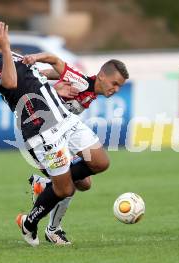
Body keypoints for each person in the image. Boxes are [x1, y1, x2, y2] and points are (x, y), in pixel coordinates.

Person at [0, 13, 111, 247]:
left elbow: (34, 76)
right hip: (41, 131)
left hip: (63, 118)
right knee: (66, 188)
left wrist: (56, 86)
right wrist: (6, 46)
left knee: (99, 162)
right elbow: (11, 83)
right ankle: (29, 222)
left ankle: (47, 186)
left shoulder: (12, 54)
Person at [25, 54, 129, 244]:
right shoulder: (80, 82)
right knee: (71, 186)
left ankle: (44, 187)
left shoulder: (90, 87)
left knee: (84, 183)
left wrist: (43, 76)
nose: (116, 89)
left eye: (120, 86)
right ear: (102, 76)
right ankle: (53, 229)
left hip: (63, 135)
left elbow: (58, 72)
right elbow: (55, 61)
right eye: (114, 83)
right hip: (43, 137)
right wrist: (36, 64)